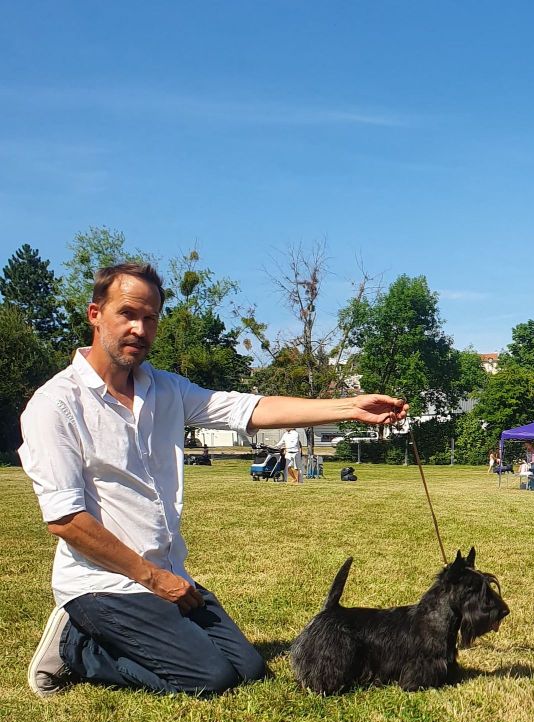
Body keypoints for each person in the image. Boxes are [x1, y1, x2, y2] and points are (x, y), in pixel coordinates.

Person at [20, 262, 408, 699]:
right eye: (127, 313)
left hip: (168, 576)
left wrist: (349, 407)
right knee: (210, 679)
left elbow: (251, 409)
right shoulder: (56, 405)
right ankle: (77, 645)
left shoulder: (166, 390)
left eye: (150, 318)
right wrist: (153, 578)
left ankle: (137, 631)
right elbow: (66, 520)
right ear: (95, 314)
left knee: (249, 669)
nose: (139, 328)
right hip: (104, 582)